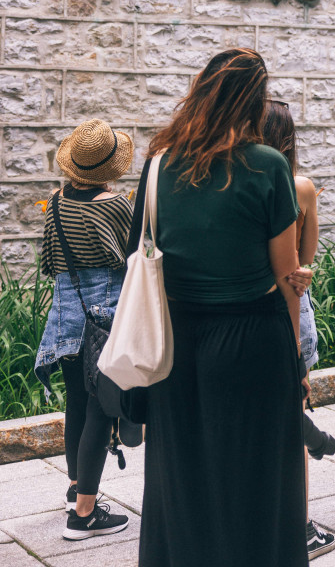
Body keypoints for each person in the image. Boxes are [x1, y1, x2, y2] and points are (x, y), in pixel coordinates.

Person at [135, 49, 308, 567]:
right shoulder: (268, 165)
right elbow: (286, 274)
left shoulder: (158, 164)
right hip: (250, 337)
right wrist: (296, 357)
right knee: (257, 473)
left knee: (178, 473)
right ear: (253, 101)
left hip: (176, 340)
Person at [34, 118, 134, 540]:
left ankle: (76, 486)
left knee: (77, 401)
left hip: (67, 318)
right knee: (102, 410)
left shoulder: (56, 202)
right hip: (105, 318)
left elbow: (48, 261)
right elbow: (134, 260)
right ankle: (84, 516)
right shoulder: (115, 205)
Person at [263, 98, 335, 559]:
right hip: (294, 307)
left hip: (256, 308)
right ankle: (300, 523)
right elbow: (304, 263)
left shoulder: (240, 183)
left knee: (273, 418)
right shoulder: (302, 187)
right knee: (293, 412)